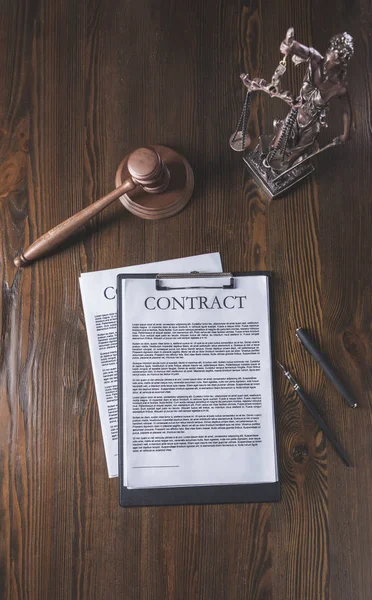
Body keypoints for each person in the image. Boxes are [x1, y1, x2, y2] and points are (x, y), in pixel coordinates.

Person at [269, 31, 354, 170]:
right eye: (328, 52)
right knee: (276, 145)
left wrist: (345, 134)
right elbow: (301, 49)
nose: (325, 61)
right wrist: (289, 45)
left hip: (312, 125)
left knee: (291, 160)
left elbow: (346, 110)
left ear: (340, 61)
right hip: (295, 112)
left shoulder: (339, 86)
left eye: (331, 59)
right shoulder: (315, 59)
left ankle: (287, 168)